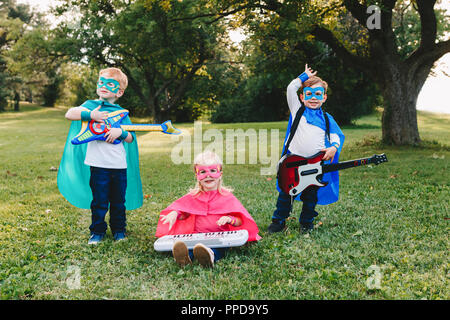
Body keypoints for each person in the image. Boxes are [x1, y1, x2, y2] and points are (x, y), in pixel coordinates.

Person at [58, 67, 143, 244]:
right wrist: (91, 115)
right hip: (98, 165)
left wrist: (119, 132)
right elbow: (69, 114)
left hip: (119, 165)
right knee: (99, 201)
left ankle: (119, 230)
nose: (103, 86)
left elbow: (130, 138)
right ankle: (97, 232)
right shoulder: (90, 105)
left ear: (119, 92)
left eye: (110, 84)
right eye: (101, 82)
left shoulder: (122, 113)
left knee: (119, 202)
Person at [268, 64, 345, 234]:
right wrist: (304, 76)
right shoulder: (298, 111)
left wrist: (334, 147)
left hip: (315, 165)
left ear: (324, 97)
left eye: (318, 94)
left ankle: (306, 223)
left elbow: (336, 136)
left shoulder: (326, 118)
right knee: (286, 194)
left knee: (311, 196)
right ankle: (278, 221)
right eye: (309, 94)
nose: (313, 98)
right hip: (293, 162)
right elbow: (290, 88)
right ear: (302, 97)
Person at [155, 151, 261, 268]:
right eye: (203, 172)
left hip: (220, 237)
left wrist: (229, 219)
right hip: (196, 236)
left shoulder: (227, 197)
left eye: (212, 171)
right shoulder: (194, 196)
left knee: (216, 248)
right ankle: (185, 258)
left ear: (220, 173)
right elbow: (185, 214)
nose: (208, 175)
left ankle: (209, 257)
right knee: (189, 246)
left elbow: (239, 221)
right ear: (197, 176)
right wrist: (175, 213)